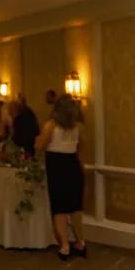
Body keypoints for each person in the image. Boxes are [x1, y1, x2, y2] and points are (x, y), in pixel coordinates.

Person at [36, 93, 86, 260]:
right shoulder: (78, 127)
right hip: (73, 167)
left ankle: (64, 246)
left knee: (60, 209)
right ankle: (81, 242)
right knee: (75, 208)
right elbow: (80, 149)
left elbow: (41, 146)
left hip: (57, 169)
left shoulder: (51, 126)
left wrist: (37, 141)